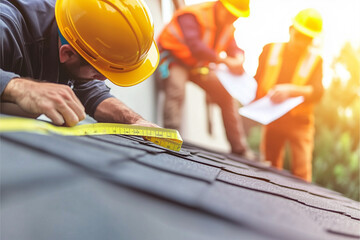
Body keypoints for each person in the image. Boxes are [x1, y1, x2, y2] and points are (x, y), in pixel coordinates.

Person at [0, 0, 159, 127]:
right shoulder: (6, 24)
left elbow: (91, 91)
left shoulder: (78, 29)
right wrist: (21, 88)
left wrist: (134, 121)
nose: (103, 80)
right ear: (67, 53)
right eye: (97, 72)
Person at [157, 0, 252, 156]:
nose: (233, 19)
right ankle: (170, 139)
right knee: (176, 89)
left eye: (236, 16)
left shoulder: (228, 26)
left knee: (226, 95)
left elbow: (233, 47)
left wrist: (239, 57)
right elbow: (195, 46)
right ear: (221, 6)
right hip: (174, 58)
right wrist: (224, 61)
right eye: (231, 14)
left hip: (197, 65)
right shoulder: (193, 14)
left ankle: (239, 149)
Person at [254, 9, 324, 181]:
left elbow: (318, 92)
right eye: (300, 35)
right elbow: (257, 81)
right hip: (273, 118)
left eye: (307, 39)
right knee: (269, 169)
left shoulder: (315, 60)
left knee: (301, 174)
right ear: (291, 29)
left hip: (299, 123)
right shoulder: (270, 49)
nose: (302, 42)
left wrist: (290, 91)